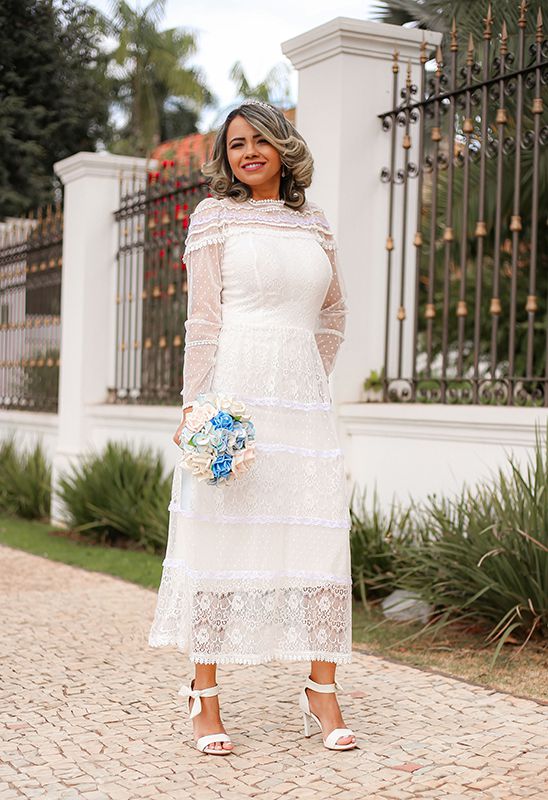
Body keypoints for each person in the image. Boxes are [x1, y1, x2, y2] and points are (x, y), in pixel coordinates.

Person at [148, 99, 356, 754]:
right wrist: (196, 405)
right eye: (236, 144)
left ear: (283, 147)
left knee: (318, 544)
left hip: (305, 407)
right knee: (219, 541)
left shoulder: (314, 223)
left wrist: (308, 381)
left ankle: (321, 689)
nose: (248, 153)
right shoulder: (213, 218)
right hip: (236, 398)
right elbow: (203, 319)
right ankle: (203, 695)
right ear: (226, 158)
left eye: (260, 140)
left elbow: (335, 313)